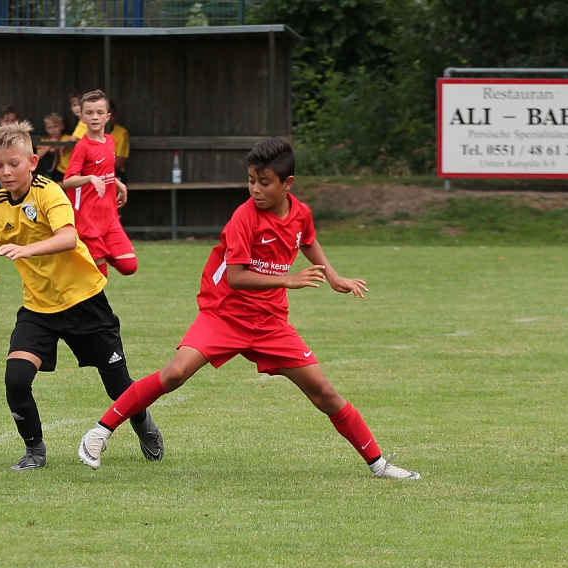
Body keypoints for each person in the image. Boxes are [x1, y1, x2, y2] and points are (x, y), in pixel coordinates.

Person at [76, 138, 421, 480]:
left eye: (264, 182)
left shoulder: (300, 213)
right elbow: (237, 277)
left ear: (288, 184)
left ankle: (379, 464)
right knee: (175, 373)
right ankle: (99, 433)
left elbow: (308, 240)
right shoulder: (244, 217)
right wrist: (287, 280)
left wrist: (333, 276)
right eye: (251, 180)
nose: (255, 189)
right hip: (224, 314)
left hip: (270, 322)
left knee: (323, 392)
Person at [0, 120, 164, 471]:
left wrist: (25, 249)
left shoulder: (48, 192)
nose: (6, 172)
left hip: (85, 301)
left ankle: (144, 425)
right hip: (39, 309)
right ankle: (35, 451)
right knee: (16, 379)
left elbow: (67, 237)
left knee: (119, 387)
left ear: (32, 162)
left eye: (14, 163)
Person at [62, 90, 137, 278]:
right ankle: (89, 254)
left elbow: (106, 170)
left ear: (107, 117)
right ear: (82, 118)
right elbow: (67, 181)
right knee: (100, 278)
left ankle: (93, 255)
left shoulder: (110, 141)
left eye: (99, 112)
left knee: (129, 267)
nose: (95, 117)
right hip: (88, 222)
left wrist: (120, 186)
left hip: (109, 217)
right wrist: (90, 178)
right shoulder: (82, 147)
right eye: (89, 113)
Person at [36, 112, 70, 182]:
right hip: (51, 171)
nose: (52, 130)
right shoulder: (45, 140)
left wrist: (52, 146)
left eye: (55, 126)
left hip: (66, 170)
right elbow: (38, 156)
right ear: (46, 129)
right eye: (49, 127)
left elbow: (57, 148)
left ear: (62, 127)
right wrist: (50, 144)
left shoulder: (67, 138)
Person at [107, 100, 131, 183]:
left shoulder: (122, 133)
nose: (109, 118)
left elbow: (119, 163)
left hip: (114, 173)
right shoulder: (89, 131)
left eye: (112, 115)